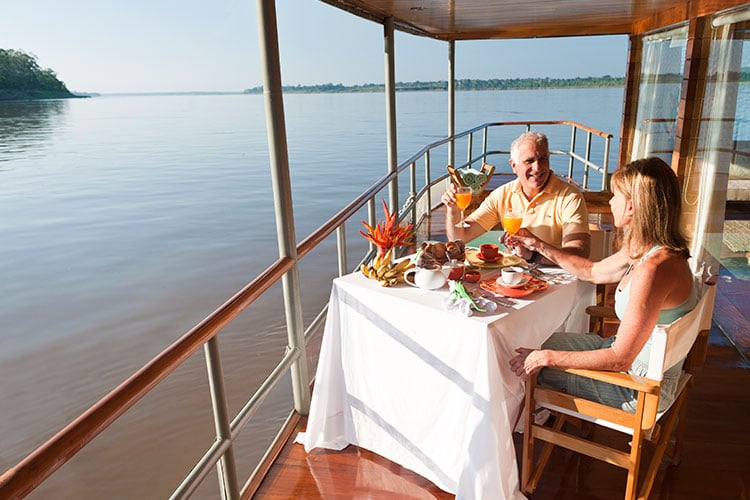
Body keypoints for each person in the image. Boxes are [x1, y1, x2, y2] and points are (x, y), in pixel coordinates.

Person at [507, 157, 698, 412]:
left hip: (637, 387)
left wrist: (546, 358)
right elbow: (592, 271)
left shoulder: (653, 270)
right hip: (637, 365)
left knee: (516, 363)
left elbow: (620, 359)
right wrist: (538, 245)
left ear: (631, 207)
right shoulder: (647, 250)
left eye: (614, 195)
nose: (609, 202)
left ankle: (508, 439)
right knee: (524, 344)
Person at [441, 131, 590, 263]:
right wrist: (453, 210)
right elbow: (460, 238)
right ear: (513, 165)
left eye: (543, 159)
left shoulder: (569, 197)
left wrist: (534, 252)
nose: (537, 167)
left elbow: (579, 253)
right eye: (529, 161)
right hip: (513, 277)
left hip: (557, 278)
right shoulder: (502, 194)